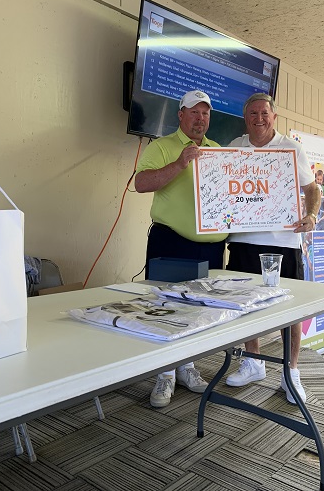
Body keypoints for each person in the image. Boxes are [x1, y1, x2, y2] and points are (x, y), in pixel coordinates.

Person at [225, 93, 321, 404]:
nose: (258, 118)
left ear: (274, 117)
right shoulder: (233, 148)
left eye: (264, 113)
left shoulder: (291, 148)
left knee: (289, 310)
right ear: (246, 118)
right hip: (242, 241)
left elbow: (312, 189)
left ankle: (290, 372)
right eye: (252, 113)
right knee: (244, 305)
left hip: (283, 242)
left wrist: (311, 214)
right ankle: (253, 361)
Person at [135, 90, 227, 408]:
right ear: (181, 115)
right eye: (194, 112)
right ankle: (165, 374)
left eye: (205, 113)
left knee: (199, 312)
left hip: (211, 249)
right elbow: (141, 183)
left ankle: (186, 366)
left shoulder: (218, 151)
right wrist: (180, 163)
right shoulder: (161, 146)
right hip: (171, 241)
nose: (200, 118)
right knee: (167, 310)